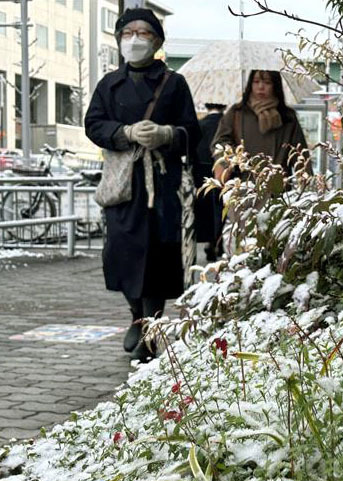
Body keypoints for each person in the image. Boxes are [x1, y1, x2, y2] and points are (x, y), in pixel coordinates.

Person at [84, 8, 200, 362]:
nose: (135, 39)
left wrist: (167, 134)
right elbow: (93, 124)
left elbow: (191, 134)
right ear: (119, 38)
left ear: (157, 42)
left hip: (161, 184)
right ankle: (137, 314)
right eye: (128, 32)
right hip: (123, 183)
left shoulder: (174, 83)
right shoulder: (108, 84)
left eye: (144, 33)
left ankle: (151, 327)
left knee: (158, 257)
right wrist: (124, 133)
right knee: (120, 253)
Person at [210, 70, 309, 181]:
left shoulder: (287, 116)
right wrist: (231, 157)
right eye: (256, 82)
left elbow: (300, 154)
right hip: (244, 185)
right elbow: (219, 141)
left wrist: (307, 183)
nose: (260, 87)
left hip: (278, 188)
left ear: (275, 85)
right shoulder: (237, 112)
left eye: (267, 82)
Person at [194, 103, 226, 261]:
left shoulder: (200, 124)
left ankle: (208, 239)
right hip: (223, 171)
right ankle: (218, 240)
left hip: (201, 171)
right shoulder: (226, 123)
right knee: (220, 208)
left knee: (205, 208)